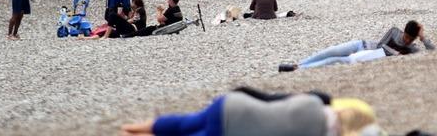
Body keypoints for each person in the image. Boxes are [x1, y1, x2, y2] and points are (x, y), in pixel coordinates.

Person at [120, 87, 381, 136]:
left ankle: (132, 127)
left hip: (235, 104)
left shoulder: (313, 104)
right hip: (235, 130)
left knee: (185, 123)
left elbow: (272, 99)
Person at [278, 20, 435, 72]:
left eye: (410, 39)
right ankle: (298, 63)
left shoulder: (412, 48)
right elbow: (381, 45)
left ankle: (297, 70)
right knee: (330, 51)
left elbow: (433, 53)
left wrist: (422, 37)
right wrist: (395, 54)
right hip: (363, 45)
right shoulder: (395, 31)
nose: (407, 41)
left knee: (335, 60)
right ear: (404, 32)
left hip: (366, 56)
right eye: (406, 37)